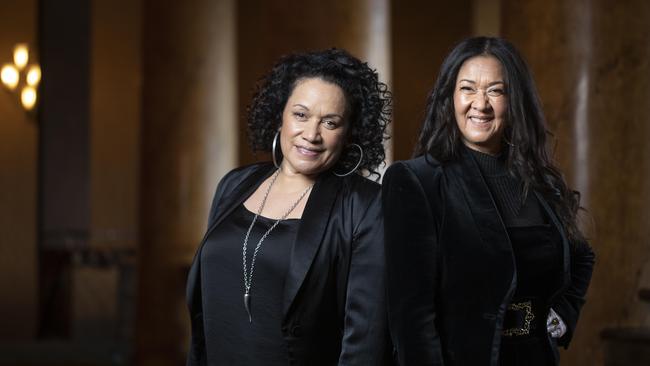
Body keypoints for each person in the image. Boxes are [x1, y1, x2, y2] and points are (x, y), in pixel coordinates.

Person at [382, 36, 595, 365]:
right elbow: (411, 316)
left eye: (496, 90)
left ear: (515, 101)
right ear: (449, 97)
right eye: (467, 88)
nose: (480, 104)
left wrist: (564, 313)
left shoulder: (537, 180)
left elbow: (581, 255)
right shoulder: (417, 181)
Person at [186, 49, 393, 365]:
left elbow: (365, 340)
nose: (311, 134)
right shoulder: (234, 184)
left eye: (330, 122)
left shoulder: (364, 206)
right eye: (301, 114)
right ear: (279, 115)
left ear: (350, 132)